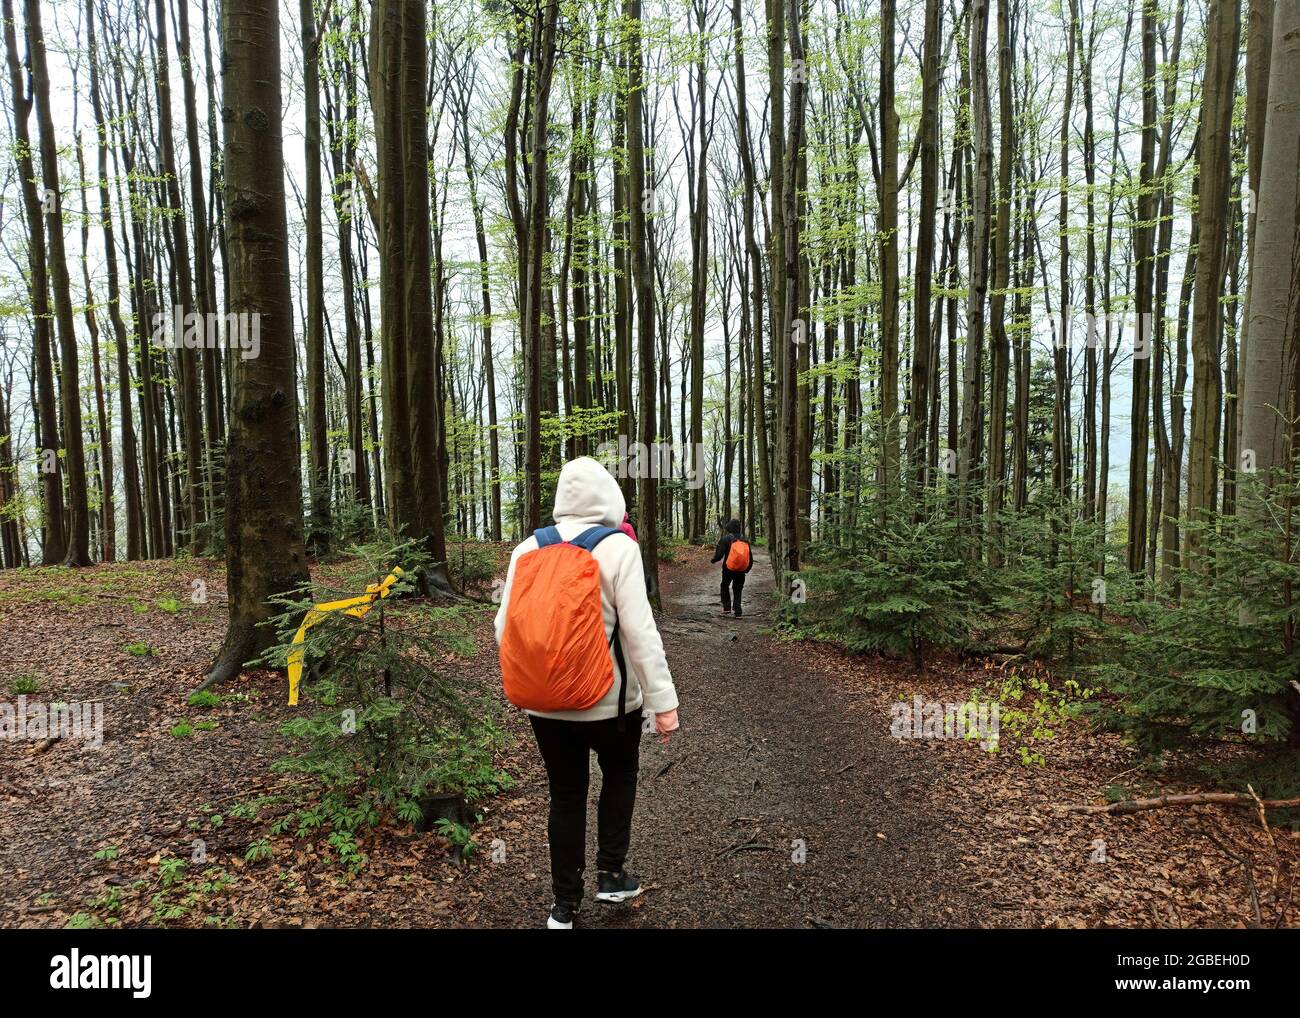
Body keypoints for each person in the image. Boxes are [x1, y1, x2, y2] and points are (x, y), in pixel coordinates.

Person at [494, 457, 679, 929]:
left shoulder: (525, 549)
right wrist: (664, 703)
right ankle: (612, 875)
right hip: (610, 704)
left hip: (545, 705)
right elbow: (640, 633)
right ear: (609, 499)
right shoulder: (618, 548)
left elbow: (504, 628)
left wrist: (543, 676)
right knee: (620, 775)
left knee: (566, 793)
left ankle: (564, 906)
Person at [711, 518, 754, 618]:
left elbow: (719, 555)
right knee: (738, 589)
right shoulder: (745, 540)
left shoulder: (725, 539)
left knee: (724, 585)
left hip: (728, 569)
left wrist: (713, 560)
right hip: (741, 570)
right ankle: (738, 612)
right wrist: (747, 569)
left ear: (729, 527)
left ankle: (726, 608)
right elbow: (750, 557)